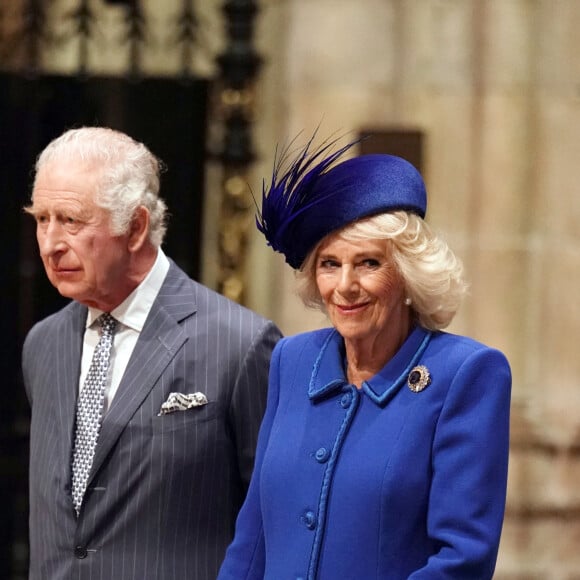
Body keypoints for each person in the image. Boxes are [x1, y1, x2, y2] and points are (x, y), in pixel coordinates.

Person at [218, 135, 512, 579]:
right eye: (329, 263)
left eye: (369, 263)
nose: (345, 286)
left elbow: (463, 559)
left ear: (409, 274)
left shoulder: (466, 375)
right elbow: (254, 534)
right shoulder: (292, 360)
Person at [21, 126, 282, 580]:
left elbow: (276, 522)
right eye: (42, 218)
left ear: (136, 227)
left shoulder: (241, 344)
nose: (50, 243)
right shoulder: (42, 343)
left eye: (72, 220)